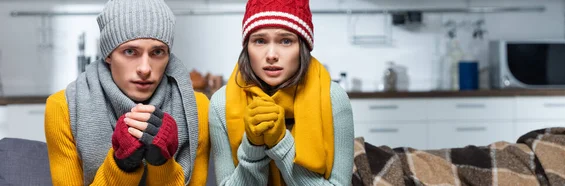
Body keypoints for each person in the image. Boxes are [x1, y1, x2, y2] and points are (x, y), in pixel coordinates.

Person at [44, 0, 210, 185]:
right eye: (130, 51)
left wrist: (162, 163)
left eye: (157, 52)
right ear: (108, 54)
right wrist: (121, 165)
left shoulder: (197, 108)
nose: (145, 69)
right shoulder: (64, 108)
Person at [208, 0, 354, 185]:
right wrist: (253, 146)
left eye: (286, 41)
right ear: (247, 47)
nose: (271, 55)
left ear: (302, 47)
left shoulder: (333, 98)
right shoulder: (222, 103)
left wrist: (280, 143)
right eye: (259, 41)